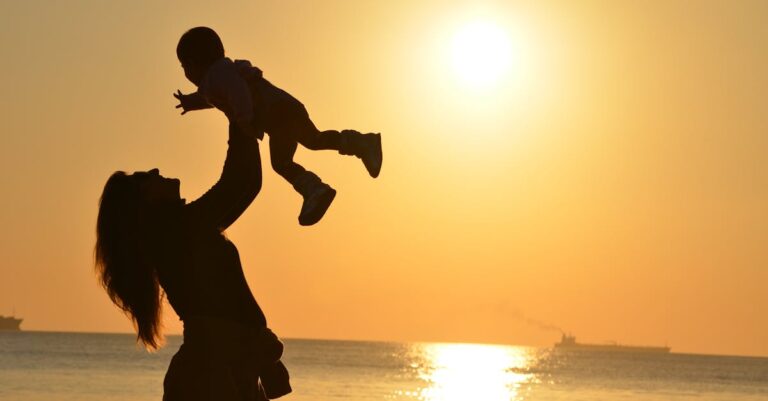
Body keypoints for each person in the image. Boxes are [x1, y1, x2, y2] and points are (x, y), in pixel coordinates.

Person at [95, 123, 290, 400]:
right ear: (144, 203)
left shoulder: (184, 230)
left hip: (227, 368)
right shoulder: (178, 230)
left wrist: (243, 117)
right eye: (144, 178)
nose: (154, 171)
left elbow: (247, 186)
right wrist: (238, 112)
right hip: (212, 373)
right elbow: (238, 184)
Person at [173, 26, 383, 226]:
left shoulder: (217, 75)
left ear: (192, 64)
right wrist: (191, 103)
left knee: (284, 161)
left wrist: (245, 120)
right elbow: (212, 96)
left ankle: (316, 189)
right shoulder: (220, 75)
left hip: (278, 114)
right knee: (313, 141)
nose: (185, 73)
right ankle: (360, 144)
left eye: (184, 67)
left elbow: (237, 92)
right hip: (283, 110)